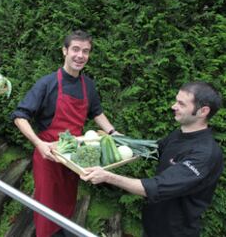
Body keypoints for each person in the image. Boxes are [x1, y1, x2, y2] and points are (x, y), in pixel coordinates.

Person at [11, 30, 120, 237]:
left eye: (85, 51)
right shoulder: (47, 83)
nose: (80, 55)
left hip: (74, 158)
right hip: (49, 156)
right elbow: (20, 116)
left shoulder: (88, 85)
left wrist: (113, 133)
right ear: (65, 51)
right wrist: (38, 143)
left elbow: (97, 112)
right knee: (46, 205)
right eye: (76, 49)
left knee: (67, 200)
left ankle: (61, 231)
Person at [81, 81, 223, 237]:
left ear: (203, 111)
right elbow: (152, 150)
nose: (173, 106)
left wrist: (107, 176)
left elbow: (155, 187)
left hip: (175, 233)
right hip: (152, 226)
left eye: (181, 104)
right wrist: (117, 138)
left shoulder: (205, 154)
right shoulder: (179, 135)